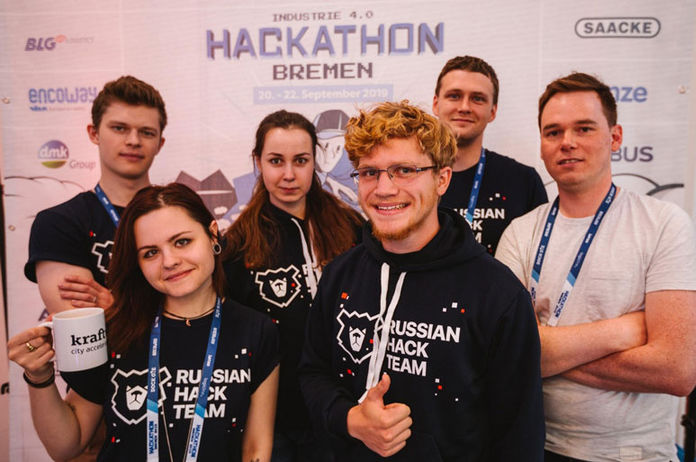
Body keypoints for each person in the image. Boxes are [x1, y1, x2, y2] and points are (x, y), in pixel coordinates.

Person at [299, 101, 544, 461]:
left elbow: (519, 436)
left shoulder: (498, 294)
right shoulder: (340, 275)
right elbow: (313, 373)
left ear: (442, 179)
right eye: (370, 172)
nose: (384, 188)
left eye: (404, 170)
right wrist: (351, 420)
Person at [495, 72, 696, 461]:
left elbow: (677, 370)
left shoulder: (663, 224)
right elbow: (501, 354)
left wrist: (544, 352)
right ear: (542, 145)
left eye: (584, 128)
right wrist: (622, 331)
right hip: (533, 446)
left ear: (615, 137)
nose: (567, 142)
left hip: (631, 454)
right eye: (553, 132)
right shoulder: (520, 233)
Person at [9, 183, 280, 461]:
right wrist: (39, 378)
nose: (169, 261)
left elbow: (255, 449)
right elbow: (66, 444)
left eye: (182, 242)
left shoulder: (256, 331)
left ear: (212, 235)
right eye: (150, 253)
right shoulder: (116, 330)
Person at [223, 110, 363, 461]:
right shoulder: (238, 245)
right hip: (276, 418)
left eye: (300, 161)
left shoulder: (351, 227)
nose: (288, 174)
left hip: (344, 410)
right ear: (258, 161)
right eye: (276, 161)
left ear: (315, 161)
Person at [25, 75, 167, 313]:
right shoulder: (59, 223)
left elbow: (202, 313)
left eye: (147, 132)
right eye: (119, 128)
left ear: (159, 144)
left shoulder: (185, 217)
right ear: (94, 133)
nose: (133, 141)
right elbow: (80, 326)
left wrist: (115, 306)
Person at [433, 55, 547, 254]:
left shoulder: (523, 181)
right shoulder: (410, 175)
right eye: (454, 96)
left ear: (493, 111)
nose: (464, 107)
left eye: (477, 99)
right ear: (436, 104)